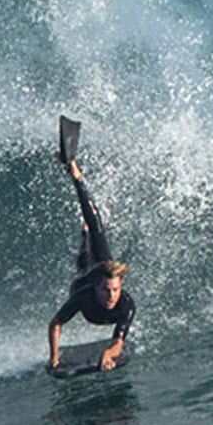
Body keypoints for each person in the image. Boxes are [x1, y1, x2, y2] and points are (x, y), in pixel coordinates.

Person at [47, 156, 135, 372]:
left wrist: (108, 353)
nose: (111, 296)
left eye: (115, 289)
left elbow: (118, 343)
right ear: (97, 288)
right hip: (84, 279)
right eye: (106, 290)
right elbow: (56, 323)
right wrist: (54, 357)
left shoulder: (126, 304)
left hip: (100, 269)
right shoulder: (82, 296)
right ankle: (77, 177)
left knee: (97, 235)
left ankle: (87, 228)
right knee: (87, 254)